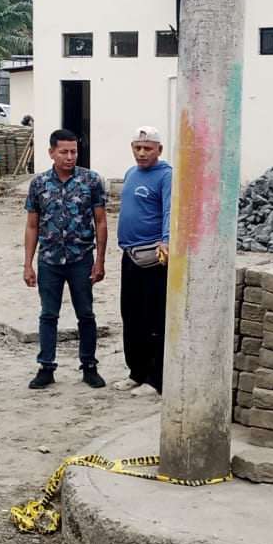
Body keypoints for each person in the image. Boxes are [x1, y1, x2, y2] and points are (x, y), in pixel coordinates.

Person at [23, 129, 109, 389]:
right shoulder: (39, 184)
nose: (70, 157)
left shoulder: (91, 181)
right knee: (48, 314)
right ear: (51, 152)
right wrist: (28, 264)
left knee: (86, 314)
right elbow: (32, 225)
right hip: (49, 260)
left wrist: (100, 260)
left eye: (73, 151)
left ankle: (89, 366)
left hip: (81, 258)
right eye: (64, 152)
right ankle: (46, 367)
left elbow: (101, 221)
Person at [114, 126, 173, 397]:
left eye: (147, 148)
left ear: (159, 150)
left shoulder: (166, 176)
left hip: (154, 257)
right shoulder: (131, 173)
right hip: (130, 255)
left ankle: (155, 378)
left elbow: (170, 210)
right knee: (131, 315)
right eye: (137, 148)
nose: (142, 153)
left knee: (154, 318)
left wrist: (167, 240)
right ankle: (135, 372)